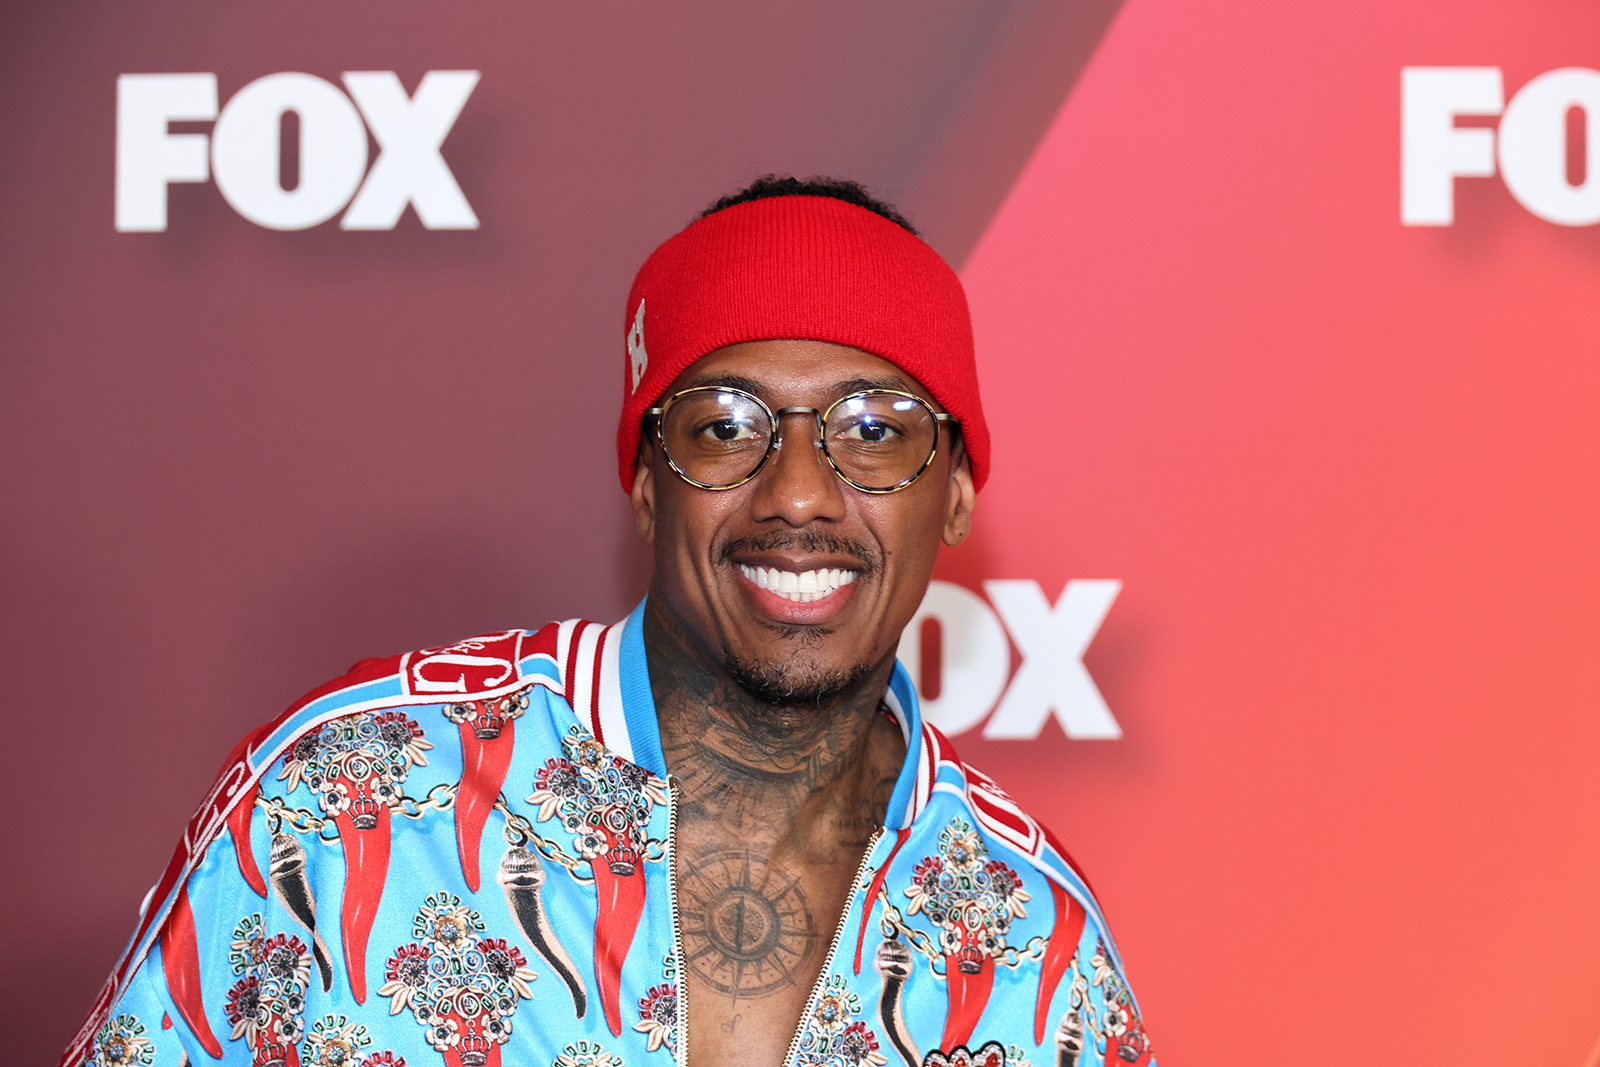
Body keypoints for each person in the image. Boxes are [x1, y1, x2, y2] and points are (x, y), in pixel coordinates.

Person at [63, 177, 1155, 1067]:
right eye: (725, 426)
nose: (797, 494)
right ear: (644, 480)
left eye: (875, 429)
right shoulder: (344, 795)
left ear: (956, 492)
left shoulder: (1037, 947)